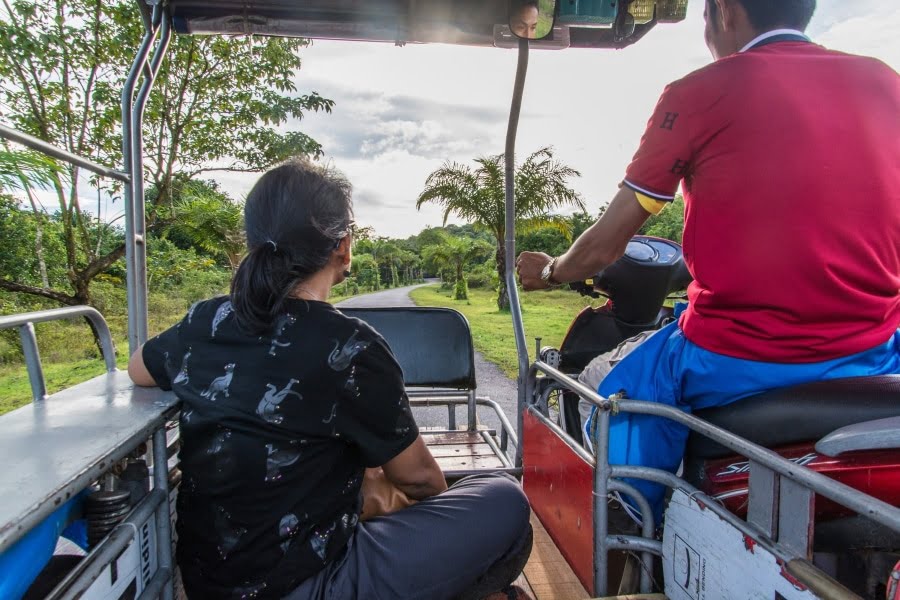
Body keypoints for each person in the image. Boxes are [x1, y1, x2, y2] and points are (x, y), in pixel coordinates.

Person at [516, 0, 900, 522]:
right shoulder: (885, 82)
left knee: (609, 392)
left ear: (724, 11)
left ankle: (627, 539)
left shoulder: (696, 92)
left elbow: (606, 246)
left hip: (733, 355)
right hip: (875, 352)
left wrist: (549, 271)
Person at [129, 158, 533, 599]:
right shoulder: (351, 345)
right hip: (311, 582)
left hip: (210, 584)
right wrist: (429, 511)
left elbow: (138, 369)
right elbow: (419, 478)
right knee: (505, 502)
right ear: (343, 245)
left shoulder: (206, 319)